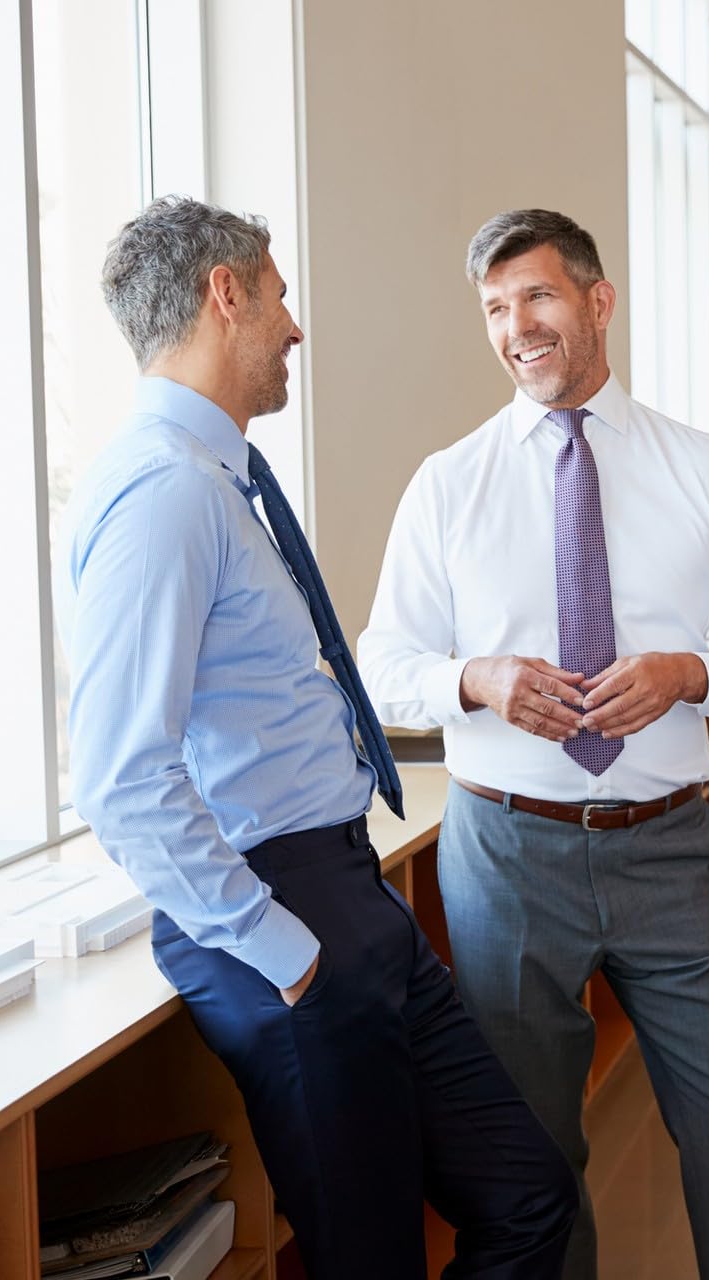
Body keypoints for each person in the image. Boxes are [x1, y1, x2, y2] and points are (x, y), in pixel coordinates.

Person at [60, 195, 576, 1280]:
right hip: (279, 915)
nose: (294, 325)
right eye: (280, 293)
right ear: (225, 292)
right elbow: (120, 774)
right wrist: (282, 950)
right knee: (368, 1259)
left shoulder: (220, 480)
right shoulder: (163, 492)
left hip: (348, 888)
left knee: (529, 1194)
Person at [358, 208, 709, 1280]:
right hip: (506, 858)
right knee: (532, 1153)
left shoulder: (702, 468)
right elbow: (382, 661)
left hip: (668, 846)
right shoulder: (448, 482)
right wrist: (478, 678)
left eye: (539, 296)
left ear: (598, 302)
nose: (519, 327)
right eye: (496, 308)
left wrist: (686, 673)